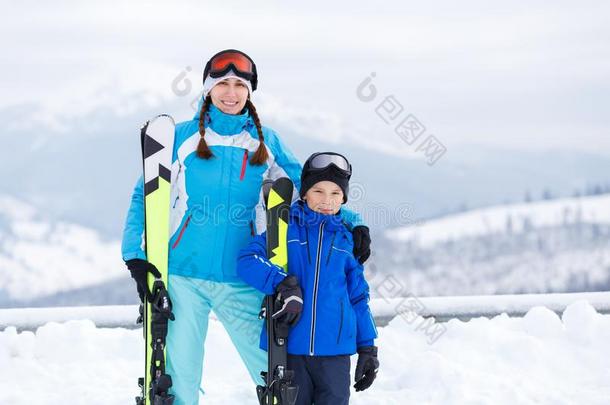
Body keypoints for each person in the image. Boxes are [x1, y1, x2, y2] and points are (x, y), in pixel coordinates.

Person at [121, 49, 372, 404]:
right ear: (208, 89)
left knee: (276, 373)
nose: (231, 92)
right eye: (222, 83)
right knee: (180, 381)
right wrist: (135, 256)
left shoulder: (266, 142)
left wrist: (353, 221)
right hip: (182, 276)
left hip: (243, 276)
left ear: (249, 92)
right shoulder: (180, 138)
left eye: (239, 84)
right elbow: (143, 198)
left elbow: (310, 187)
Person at [237, 152, 379, 405]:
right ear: (304, 193)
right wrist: (282, 281)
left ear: (344, 198)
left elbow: (358, 298)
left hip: (335, 354)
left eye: (335, 194)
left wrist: (368, 348)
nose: (326, 200)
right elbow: (247, 261)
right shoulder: (283, 228)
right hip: (289, 348)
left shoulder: (348, 242)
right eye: (318, 191)